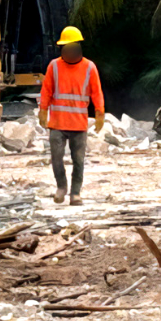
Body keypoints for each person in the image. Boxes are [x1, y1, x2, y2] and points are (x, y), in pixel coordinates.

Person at [38, 26, 104, 206]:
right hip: (58, 123)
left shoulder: (89, 68)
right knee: (57, 158)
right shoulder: (54, 66)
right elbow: (47, 90)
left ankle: (75, 193)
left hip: (79, 124)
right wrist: (43, 110)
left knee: (78, 161)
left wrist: (99, 113)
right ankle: (61, 187)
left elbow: (96, 92)